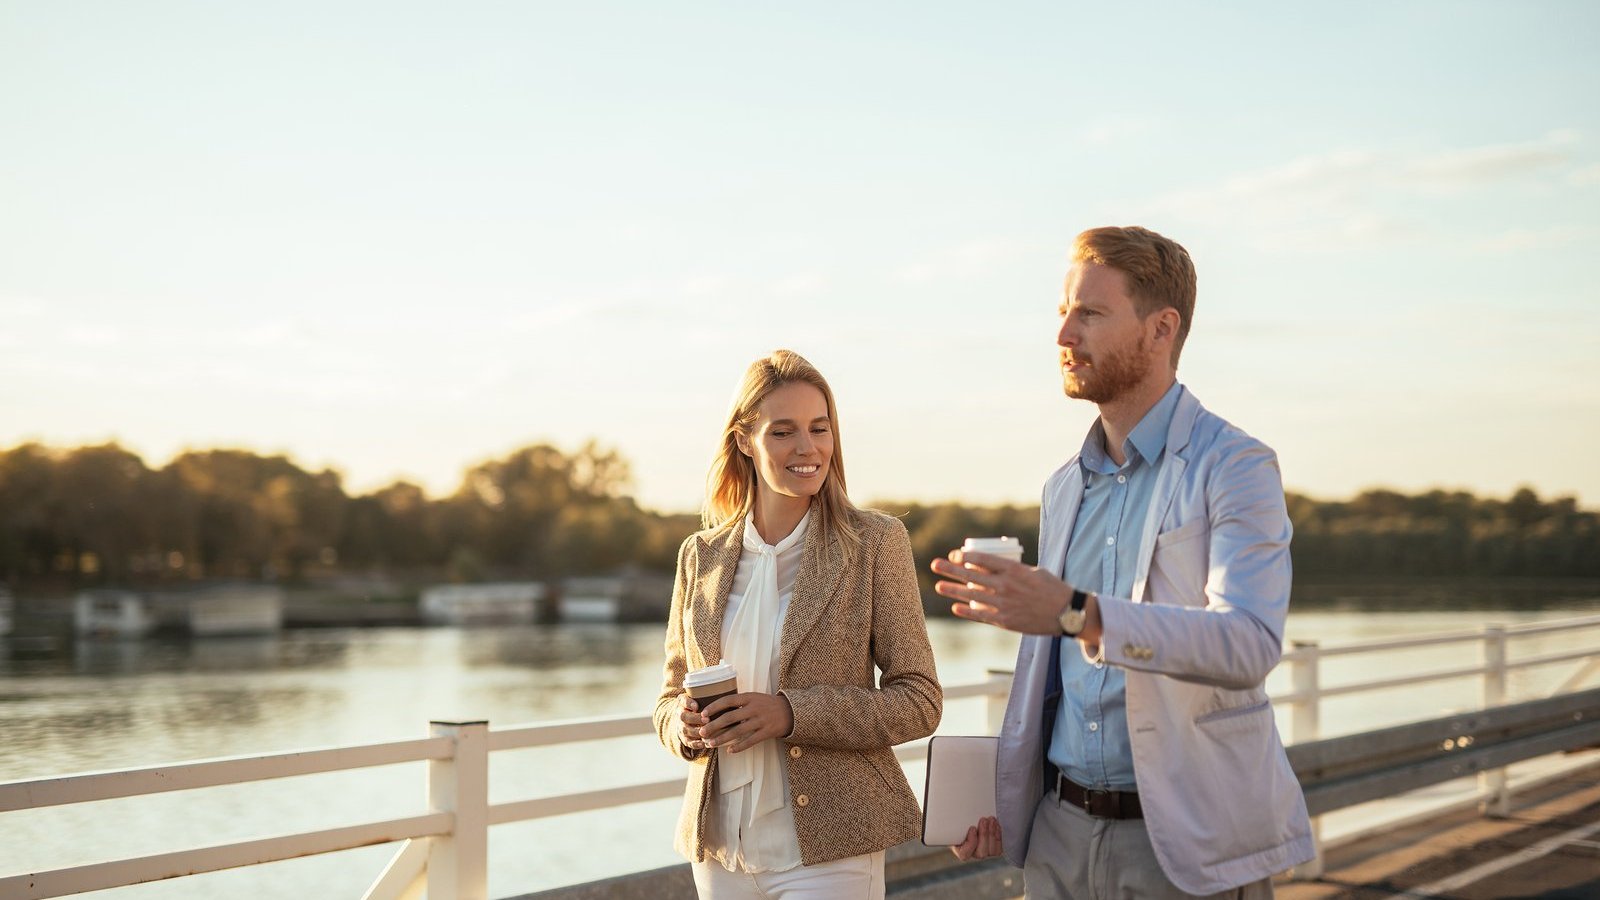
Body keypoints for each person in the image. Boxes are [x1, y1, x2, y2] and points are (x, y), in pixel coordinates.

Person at [931, 226, 1315, 898]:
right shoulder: (1062, 487)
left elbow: (1249, 643)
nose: (1063, 336)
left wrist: (1077, 613)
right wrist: (1006, 793)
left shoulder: (1236, 466)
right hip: (1056, 837)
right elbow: (1054, 682)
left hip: (1181, 848)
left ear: (1160, 329)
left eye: (1091, 314)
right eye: (1062, 313)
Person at [654, 349, 943, 899]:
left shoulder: (875, 543)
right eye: (783, 431)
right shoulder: (700, 555)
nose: (807, 448)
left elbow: (921, 700)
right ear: (745, 440)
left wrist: (790, 712)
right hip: (720, 850)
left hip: (831, 849)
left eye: (819, 428)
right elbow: (669, 698)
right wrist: (684, 728)